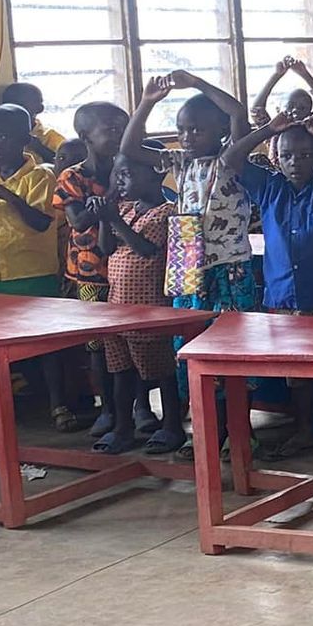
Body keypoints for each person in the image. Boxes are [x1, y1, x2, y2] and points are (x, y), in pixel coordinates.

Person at [219, 110, 313, 457]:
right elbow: (230, 159)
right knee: (297, 375)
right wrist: (268, 129)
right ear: (276, 158)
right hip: (284, 297)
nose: (295, 162)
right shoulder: (269, 187)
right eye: (286, 155)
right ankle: (304, 431)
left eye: (305, 155)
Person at [120, 71, 261, 322]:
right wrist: (147, 101)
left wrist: (196, 83)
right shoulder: (180, 162)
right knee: (188, 332)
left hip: (230, 264)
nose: (186, 138)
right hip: (186, 263)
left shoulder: (232, 158)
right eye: (181, 130)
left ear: (221, 130)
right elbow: (128, 148)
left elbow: (238, 113)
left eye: (196, 130)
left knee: (233, 332)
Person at [0, 104, 66, 430]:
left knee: (47, 343)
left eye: (1, 136)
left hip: (32, 274)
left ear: (23, 138)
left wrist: (10, 196)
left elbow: (40, 222)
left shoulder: (41, 176)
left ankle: (58, 404)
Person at [93, 158, 183, 455]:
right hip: (118, 306)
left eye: (128, 173)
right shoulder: (126, 209)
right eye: (118, 175)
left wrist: (115, 220)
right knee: (121, 371)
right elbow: (106, 249)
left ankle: (172, 426)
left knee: (161, 370)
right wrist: (106, 217)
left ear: (156, 175)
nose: (120, 180)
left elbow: (146, 250)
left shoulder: (166, 212)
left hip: (149, 308)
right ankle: (123, 428)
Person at [54, 101, 129, 434]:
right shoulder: (72, 177)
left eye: (121, 128)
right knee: (99, 346)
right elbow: (79, 220)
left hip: (130, 268)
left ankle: (138, 408)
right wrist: (108, 200)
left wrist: (106, 203)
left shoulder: (128, 167)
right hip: (90, 273)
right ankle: (109, 410)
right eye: (109, 129)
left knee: (132, 341)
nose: (118, 134)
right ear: (85, 136)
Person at [249, 57, 313, 131]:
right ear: (278, 110)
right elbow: (256, 110)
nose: (295, 110)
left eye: (302, 108)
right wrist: (276, 76)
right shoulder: (274, 134)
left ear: (310, 114)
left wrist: (305, 74)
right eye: (290, 105)